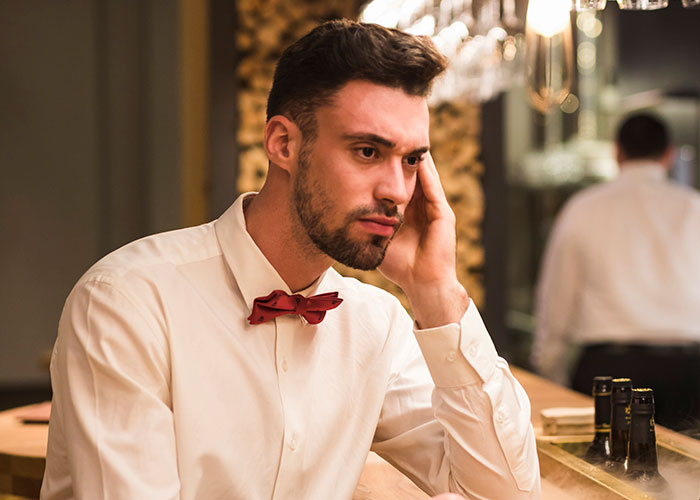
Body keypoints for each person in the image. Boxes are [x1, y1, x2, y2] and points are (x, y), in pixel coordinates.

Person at [41, 20, 540, 499]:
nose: (396, 191)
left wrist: (437, 294)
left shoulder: (376, 324)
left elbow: (505, 494)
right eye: (367, 151)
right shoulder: (128, 301)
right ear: (283, 144)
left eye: (411, 160)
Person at [532, 112, 700, 431]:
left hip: (610, 371)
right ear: (669, 154)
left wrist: (551, 372)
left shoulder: (583, 207)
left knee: (606, 477)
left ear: (617, 152)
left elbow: (557, 299)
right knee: (692, 477)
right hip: (689, 372)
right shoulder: (695, 208)